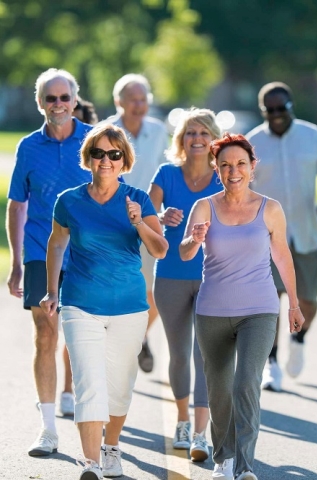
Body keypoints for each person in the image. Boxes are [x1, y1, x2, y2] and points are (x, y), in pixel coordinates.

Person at [39, 123, 168, 480]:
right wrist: (52, 290)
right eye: (99, 153)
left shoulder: (137, 198)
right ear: (89, 158)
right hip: (80, 304)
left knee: (120, 384)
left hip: (129, 307)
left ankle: (112, 448)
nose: (106, 160)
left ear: (124, 160)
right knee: (88, 382)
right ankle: (91, 462)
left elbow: (160, 249)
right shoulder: (69, 200)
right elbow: (56, 243)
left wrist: (139, 223)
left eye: (114, 154)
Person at [179, 132, 305, 480]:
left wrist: (293, 304)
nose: (233, 171)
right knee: (218, 388)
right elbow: (185, 251)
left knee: (246, 382)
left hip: (259, 311)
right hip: (212, 312)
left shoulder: (270, 208)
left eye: (240, 164)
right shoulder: (204, 206)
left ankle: (245, 466)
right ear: (216, 170)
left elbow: (282, 255)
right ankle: (224, 458)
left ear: (252, 167)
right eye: (225, 165)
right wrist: (194, 238)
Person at [6, 68, 93, 455]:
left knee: (82, 334)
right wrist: (16, 262)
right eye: (50, 98)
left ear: (75, 100)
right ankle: (47, 429)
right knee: (46, 332)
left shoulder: (94, 142)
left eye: (64, 97)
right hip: (41, 250)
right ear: (40, 102)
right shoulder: (28, 147)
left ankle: (77, 397)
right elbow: (17, 204)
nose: (57, 104)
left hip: (88, 253)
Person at [246, 82, 317, 392]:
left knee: (308, 301)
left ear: (291, 105)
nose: (275, 115)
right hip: (268, 237)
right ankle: (272, 363)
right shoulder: (253, 142)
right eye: (269, 110)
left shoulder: (313, 135)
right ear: (263, 111)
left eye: (280, 109)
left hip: (308, 233)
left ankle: (299, 337)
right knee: (272, 302)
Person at [148, 108, 222, 462]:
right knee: (178, 353)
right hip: (171, 277)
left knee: (205, 355)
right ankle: (181, 421)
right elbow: (143, 218)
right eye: (190, 133)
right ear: (181, 139)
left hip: (213, 278)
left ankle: (200, 434)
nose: (197, 139)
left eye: (204, 133)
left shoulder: (225, 178)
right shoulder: (165, 174)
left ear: (214, 140)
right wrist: (160, 218)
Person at [108, 73, 169, 373]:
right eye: (132, 99)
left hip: (150, 223)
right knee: (119, 289)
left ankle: (138, 337)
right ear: (118, 102)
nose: (138, 105)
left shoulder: (158, 131)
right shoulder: (106, 131)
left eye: (143, 99)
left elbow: (167, 173)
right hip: (112, 226)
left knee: (155, 292)